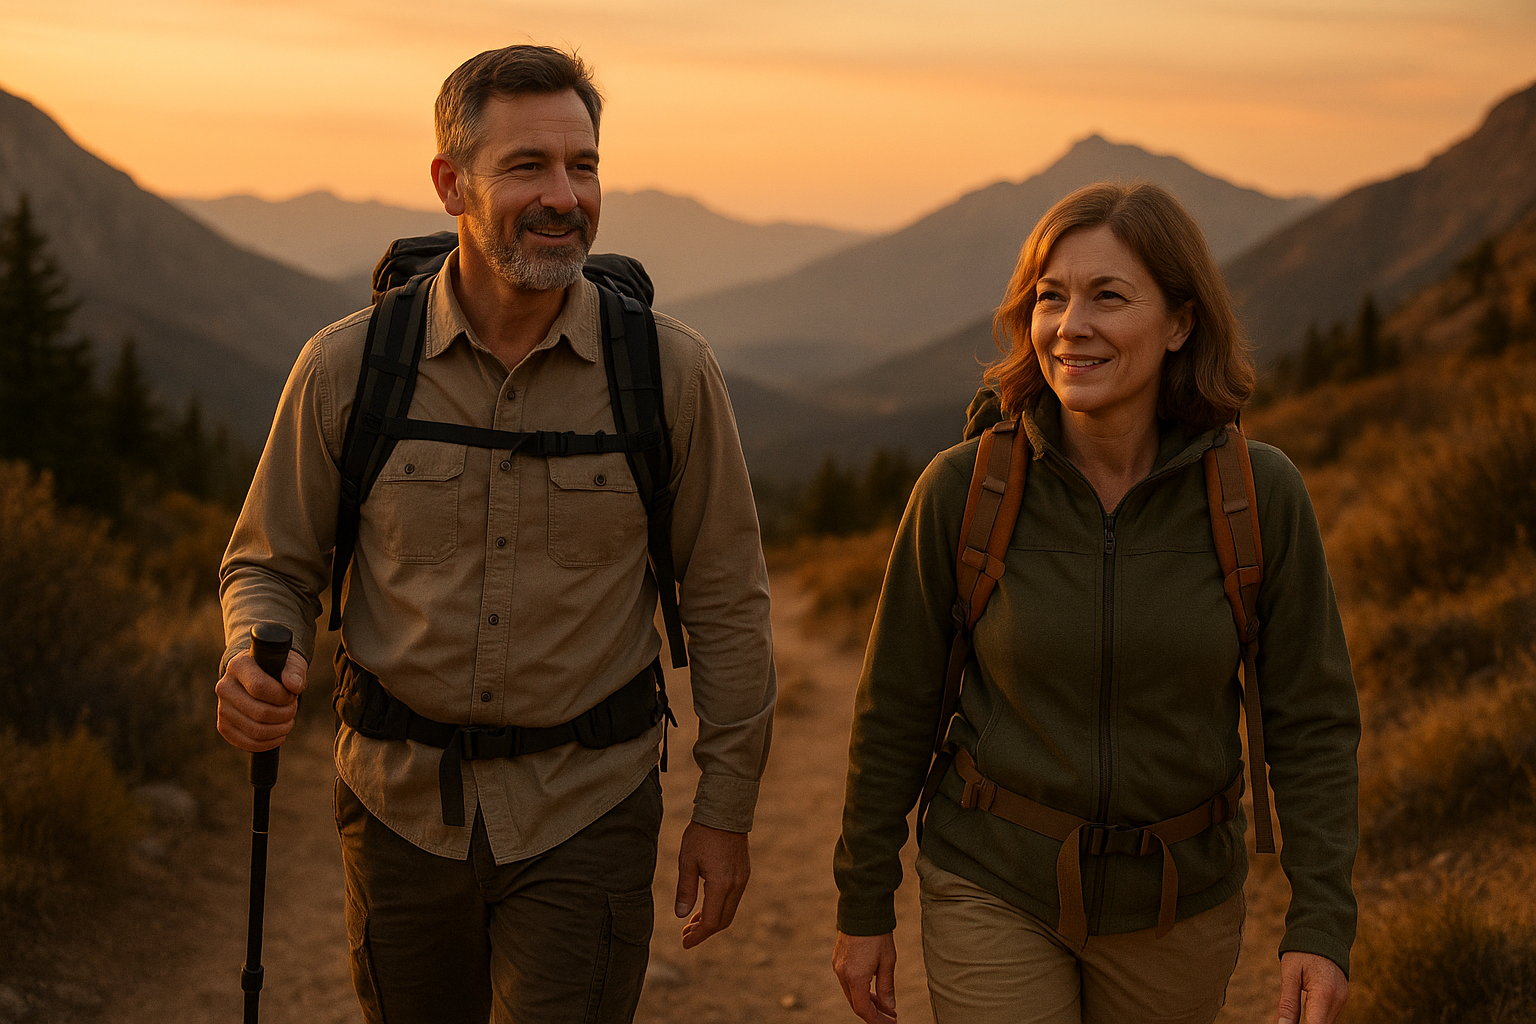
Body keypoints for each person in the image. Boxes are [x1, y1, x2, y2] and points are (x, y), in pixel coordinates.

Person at [215, 45, 776, 1024]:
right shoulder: (349, 369)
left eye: (583, 165)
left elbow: (728, 599)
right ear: (450, 183)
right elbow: (270, 562)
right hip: (394, 811)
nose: (565, 195)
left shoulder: (669, 376)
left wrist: (722, 812)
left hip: (589, 809)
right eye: (528, 166)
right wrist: (255, 657)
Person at [831, 182, 1359, 1024]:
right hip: (993, 880)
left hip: (1181, 902)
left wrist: (1323, 919)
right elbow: (893, 706)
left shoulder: (1258, 497)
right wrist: (863, 902)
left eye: (1108, 296)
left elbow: (1313, 720)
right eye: (1050, 297)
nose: (1070, 325)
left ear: (1181, 322)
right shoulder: (964, 490)